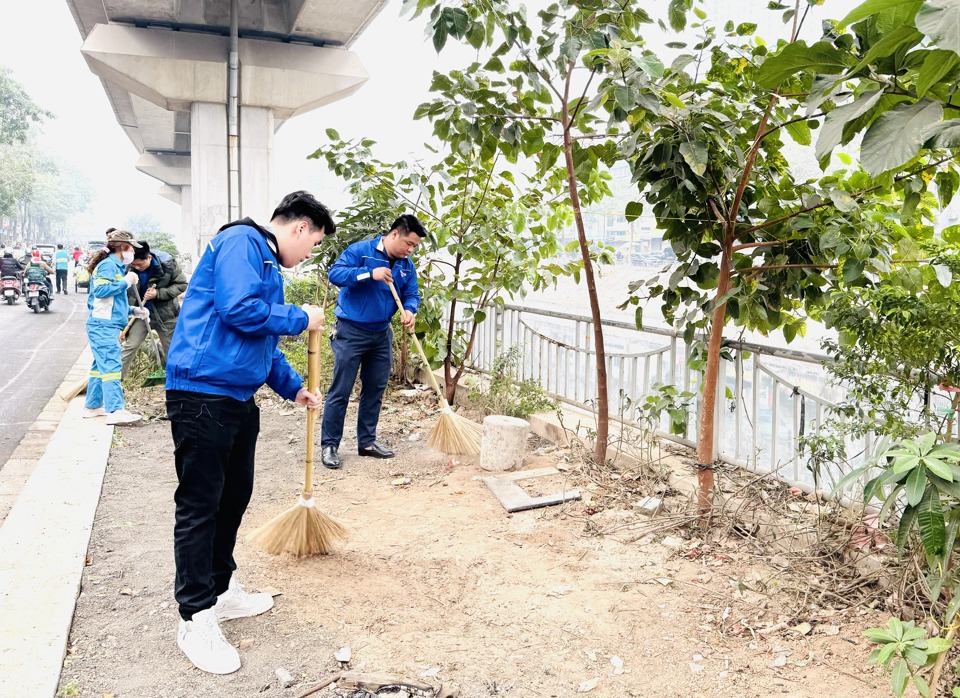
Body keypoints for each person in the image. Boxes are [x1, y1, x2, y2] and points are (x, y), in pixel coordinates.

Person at [164, 190, 334, 675]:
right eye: (313, 244)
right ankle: (195, 616)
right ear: (300, 227)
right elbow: (238, 309)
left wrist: (293, 388)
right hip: (202, 396)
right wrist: (302, 317)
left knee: (234, 495)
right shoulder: (241, 242)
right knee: (201, 505)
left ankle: (220, 587)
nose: (308, 255)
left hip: (236, 398)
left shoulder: (266, 266)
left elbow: (260, 342)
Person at [319, 214, 426, 470]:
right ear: (394, 234)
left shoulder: (406, 265)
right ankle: (330, 445)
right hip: (351, 331)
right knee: (341, 390)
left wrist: (410, 310)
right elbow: (336, 274)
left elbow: (412, 293)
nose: (410, 250)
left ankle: (366, 443)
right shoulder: (361, 252)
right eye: (408, 243)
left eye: (414, 247)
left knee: (375, 389)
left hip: (381, 333)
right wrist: (370, 273)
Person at [83, 230, 143, 426]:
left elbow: (112, 303)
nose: (133, 252)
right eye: (132, 248)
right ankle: (115, 410)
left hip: (104, 323)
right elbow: (100, 291)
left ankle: (93, 406)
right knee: (111, 366)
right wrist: (126, 282)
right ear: (123, 247)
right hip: (103, 326)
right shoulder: (109, 266)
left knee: (99, 368)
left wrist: (134, 311)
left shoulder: (115, 266)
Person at [120, 241, 188, 379]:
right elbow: (125, 293)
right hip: (140, 314)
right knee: (130, 346)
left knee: (172, 350)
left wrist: (159, 293)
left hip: (166, 315)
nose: (137, 267)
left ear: (149, 258)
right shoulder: (128, 267)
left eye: (141, 264)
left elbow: (181, 284)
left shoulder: (168, 264)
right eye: (134, 265)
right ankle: (115, 381)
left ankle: (175, 383)